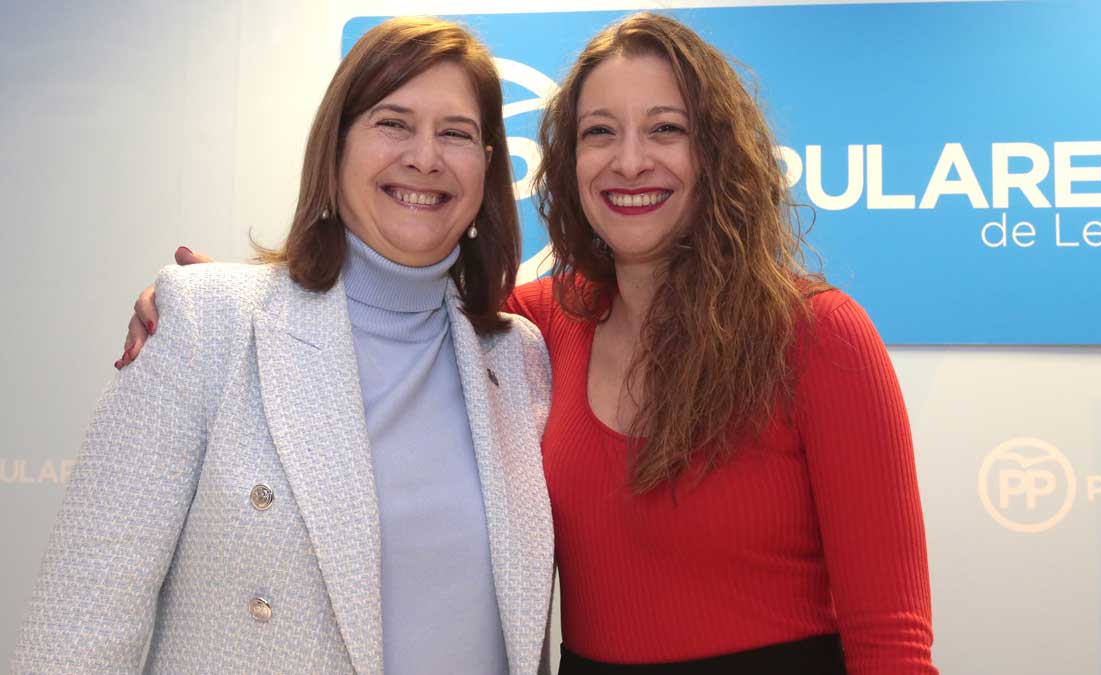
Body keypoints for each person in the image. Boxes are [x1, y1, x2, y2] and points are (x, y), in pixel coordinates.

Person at [114, 12, 937, 674]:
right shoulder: (540, 325)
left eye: (666, 129)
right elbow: (380, 297)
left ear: (717, 152)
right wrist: (216, 303)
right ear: (567, 159)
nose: (631, 160)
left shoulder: (818, 336)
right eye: (599, 132)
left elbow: (892, 645)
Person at [12, 17, 553, 675]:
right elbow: (78, 632)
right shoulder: (205, 321)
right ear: (336, 146)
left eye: (457, 133)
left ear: (489, 164)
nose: (425, 156)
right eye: (393, 122)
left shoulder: (518, 356)